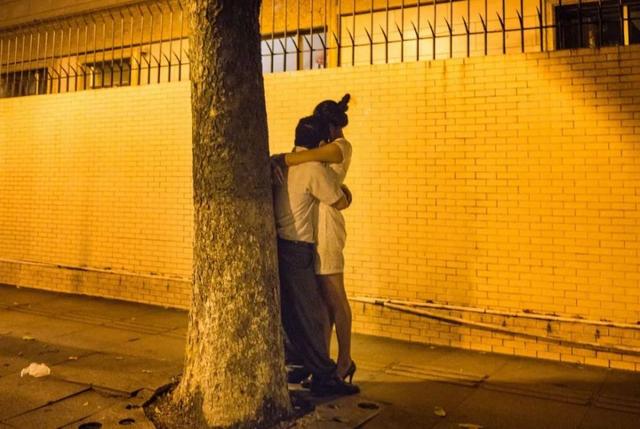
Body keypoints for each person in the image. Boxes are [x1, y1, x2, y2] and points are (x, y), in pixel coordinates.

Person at [272, 115, 359, 396]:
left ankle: (299, 363)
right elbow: (338, 200)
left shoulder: (281, 166)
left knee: (294, 311)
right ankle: (324, 373)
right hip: (300, 247)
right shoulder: (312, 168)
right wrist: (347, 192)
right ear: (320, 142)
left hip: (280, 244)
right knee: (312, 314)